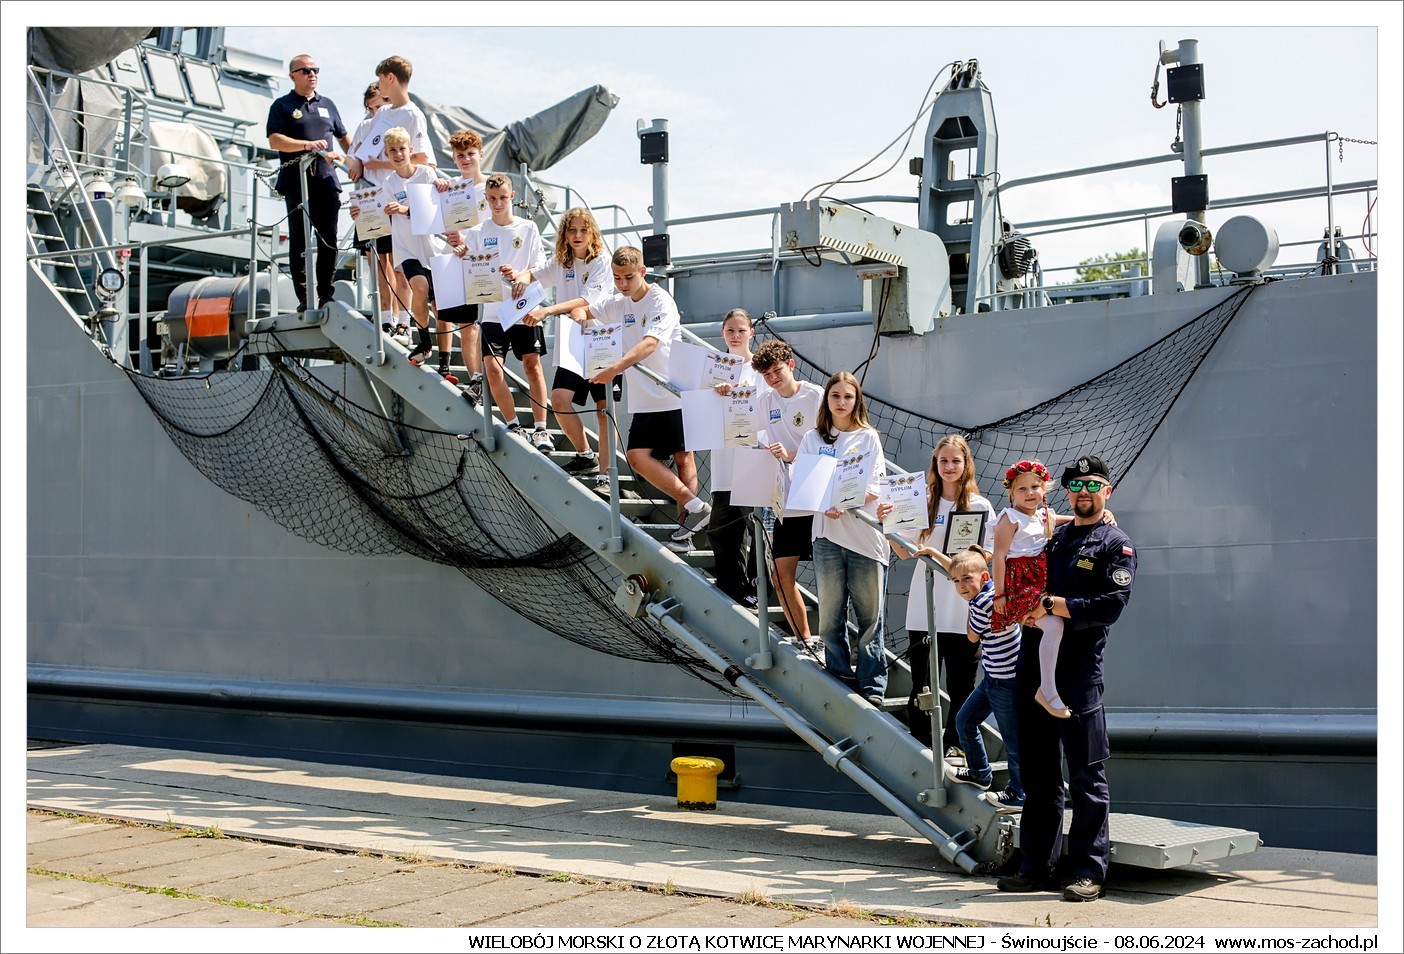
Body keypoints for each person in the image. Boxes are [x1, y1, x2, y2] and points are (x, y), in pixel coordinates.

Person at [997, 454, 1136, 903]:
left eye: (1093, 485)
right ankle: (1036, 864)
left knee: (1085, 775)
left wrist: (1052, 605)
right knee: (1038, 775)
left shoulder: (1115, 544)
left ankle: (1087, 870)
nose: (1084, 493)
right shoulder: (1052, 538)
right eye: (1076, 485)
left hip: (1077, 675)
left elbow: (1110, 605)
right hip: (1033, 668)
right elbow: (1012, 557)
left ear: (1107, 492)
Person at [580, 247, 711, 550]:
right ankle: (696, 507)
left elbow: (650, 343)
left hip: (674, 389)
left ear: (642, 272)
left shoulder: (660, 300)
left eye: (628, 277)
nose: (622, 284)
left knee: (684, 458)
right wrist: (566, 314)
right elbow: (585, 307)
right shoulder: (618, 303)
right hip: (645, 398)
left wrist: (614, 367)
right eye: (617, 278)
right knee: (637, 457)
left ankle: (685, 532)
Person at [884, 435, 995, 761]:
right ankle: (921, 744)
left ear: (965, 465)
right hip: (925, 608)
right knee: (922, 683)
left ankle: (957, 744)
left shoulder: (979, 506)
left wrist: (966, 558)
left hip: (964, 610)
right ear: (936, 464)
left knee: (962, 684)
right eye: (943, 461)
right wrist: (888, 522)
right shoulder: (922, 499)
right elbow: (903, 551)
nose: (949, 467)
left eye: (955, 461)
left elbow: (988, 554)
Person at [906, 548, 1024, 811]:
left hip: (1006, 680)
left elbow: (971, 637)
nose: (960, 586)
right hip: (994, 676)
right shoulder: (991, 590)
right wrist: (935, 553)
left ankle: (1019, 792)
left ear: (984, 577)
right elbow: (960, 568)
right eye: (956, 582)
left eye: (966, 580)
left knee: (1012, 738)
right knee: (965, 720)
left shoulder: (983, 604)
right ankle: (980, 773)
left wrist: (969, 611)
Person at [797, 371, 889, 706]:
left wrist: (842, 501)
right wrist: (826, 503)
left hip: (865, 538)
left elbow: (874, 486)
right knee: (830, 615)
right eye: (835, 396)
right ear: (827, 400)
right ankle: (838, 676)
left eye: (848, 397)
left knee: (870, 617)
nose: (841, 402)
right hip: (827, 536)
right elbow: (805, 484)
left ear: (856, 401)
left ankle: (872, 685)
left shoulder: (868, 438)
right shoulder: (813, 438)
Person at [509, 207, 616, 476]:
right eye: (572, 230)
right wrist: (519, 278)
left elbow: (586, 301)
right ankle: (586, 456)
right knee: (558, 400)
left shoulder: (602, 261)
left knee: (604, 411)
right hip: (573, 343)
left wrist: (546, 311)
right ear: (565, 234)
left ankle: (607, 474)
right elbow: (534, 274)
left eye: (583, 230)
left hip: (602, 342)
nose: (578, 235)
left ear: (592, 233)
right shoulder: (561, 262)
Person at [349, 126, 448, 375]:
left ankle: (444, 362)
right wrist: (359, 214)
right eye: (392, 150)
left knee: (440, 307)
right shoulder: (389, 184)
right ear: (386, 153)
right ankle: (424, 340)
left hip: (432, 248)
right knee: (419, 288)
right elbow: (377, 214)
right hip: (406, 248)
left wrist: (440, 185)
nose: (397, 154)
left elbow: (435, 210)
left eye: (402, 149)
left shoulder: (426, 174)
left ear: (410, 150)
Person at [461, 174, 550, 448]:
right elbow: (469, 269)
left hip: (524, 309)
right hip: (493, 313)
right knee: (492, 370)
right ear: (485, 199)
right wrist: (461, 254)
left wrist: (519, 274)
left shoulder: (528, 228)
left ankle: (541, 429)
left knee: (532, 366)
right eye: (492, 199)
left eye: (502, 197)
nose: (497, 203)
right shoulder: (477, 232)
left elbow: (541, 267)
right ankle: (514, 425)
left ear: (512, 196)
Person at [751, 340, 824, 648]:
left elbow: (831, 444)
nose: (772, 378)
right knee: (781, 577)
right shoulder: (765, 401)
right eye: (766, 374)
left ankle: (833, 643)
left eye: (776, 370)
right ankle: (805, 640)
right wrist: (723, 393)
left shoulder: (815, 395)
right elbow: (739, 426)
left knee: (831, 579)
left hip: (818, 499)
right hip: (787, 502)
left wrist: (792, 454)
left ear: (791, 365)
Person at [265, 53, 350, 313]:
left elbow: (344, 138)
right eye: (305, 70)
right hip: (297, 182)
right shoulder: (282, 105)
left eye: (315, 70)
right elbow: (275, 140)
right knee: (300, 240)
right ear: (293, 76)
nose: (312, 74)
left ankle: (325, 294)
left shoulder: (328, 104)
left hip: (326, 180)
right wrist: (306, 146)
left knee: (329, 238)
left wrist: (354, 161)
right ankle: (304, 297)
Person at [989, 459, 1070, 718]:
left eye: (1035, 487)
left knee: (1054, 624)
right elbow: (999, 556)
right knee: (1054, 624)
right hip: (1019, 583)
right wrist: (999, 594)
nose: (1029, 493)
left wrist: (1104, 516)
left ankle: (1047, 688)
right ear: (1012, 493)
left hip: (1039, 579)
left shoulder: (1045, 515)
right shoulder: (1010, 518)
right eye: (1022, 489)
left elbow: (1074, 520)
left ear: (1044, 489)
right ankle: (1047, 689)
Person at [704, 308, 766, 605]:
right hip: (723, 463)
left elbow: (766, 408)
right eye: (730, 330)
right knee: (722, 530)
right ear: (722, 333)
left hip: (752, 461)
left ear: (751, 332)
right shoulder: (715, 368)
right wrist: (713, 393)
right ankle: (732, 590)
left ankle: (758, 589)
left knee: (757, 529)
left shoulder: (761, 368)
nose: (736, 335)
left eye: (741, 330)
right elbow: (700, 410)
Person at [347, 82, 412, 339]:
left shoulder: (397, 126)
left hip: (394, 198)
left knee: (399, 267)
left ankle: (403, 320)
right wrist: (355, 163)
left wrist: (374, 163)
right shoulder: (365, 127)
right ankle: (386, 317)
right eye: (370, 108)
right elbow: (352, 155)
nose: (375, 112)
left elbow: (410, 159)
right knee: (377, 265)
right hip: (369, 200)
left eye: (379, 106)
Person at [436, 129, 491, 402]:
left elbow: (498, 227)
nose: (466, 159)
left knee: (485, 328)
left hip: (485, 265)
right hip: (457, 263)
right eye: (460, 155)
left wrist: (467, 239)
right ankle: (477, 380)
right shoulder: (450, 187)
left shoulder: (492, 188)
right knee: (467, 326)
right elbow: (430, 217)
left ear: (481, 154)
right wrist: (437, 185)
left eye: (470, 154)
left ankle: (487, 378)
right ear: (454, 158)